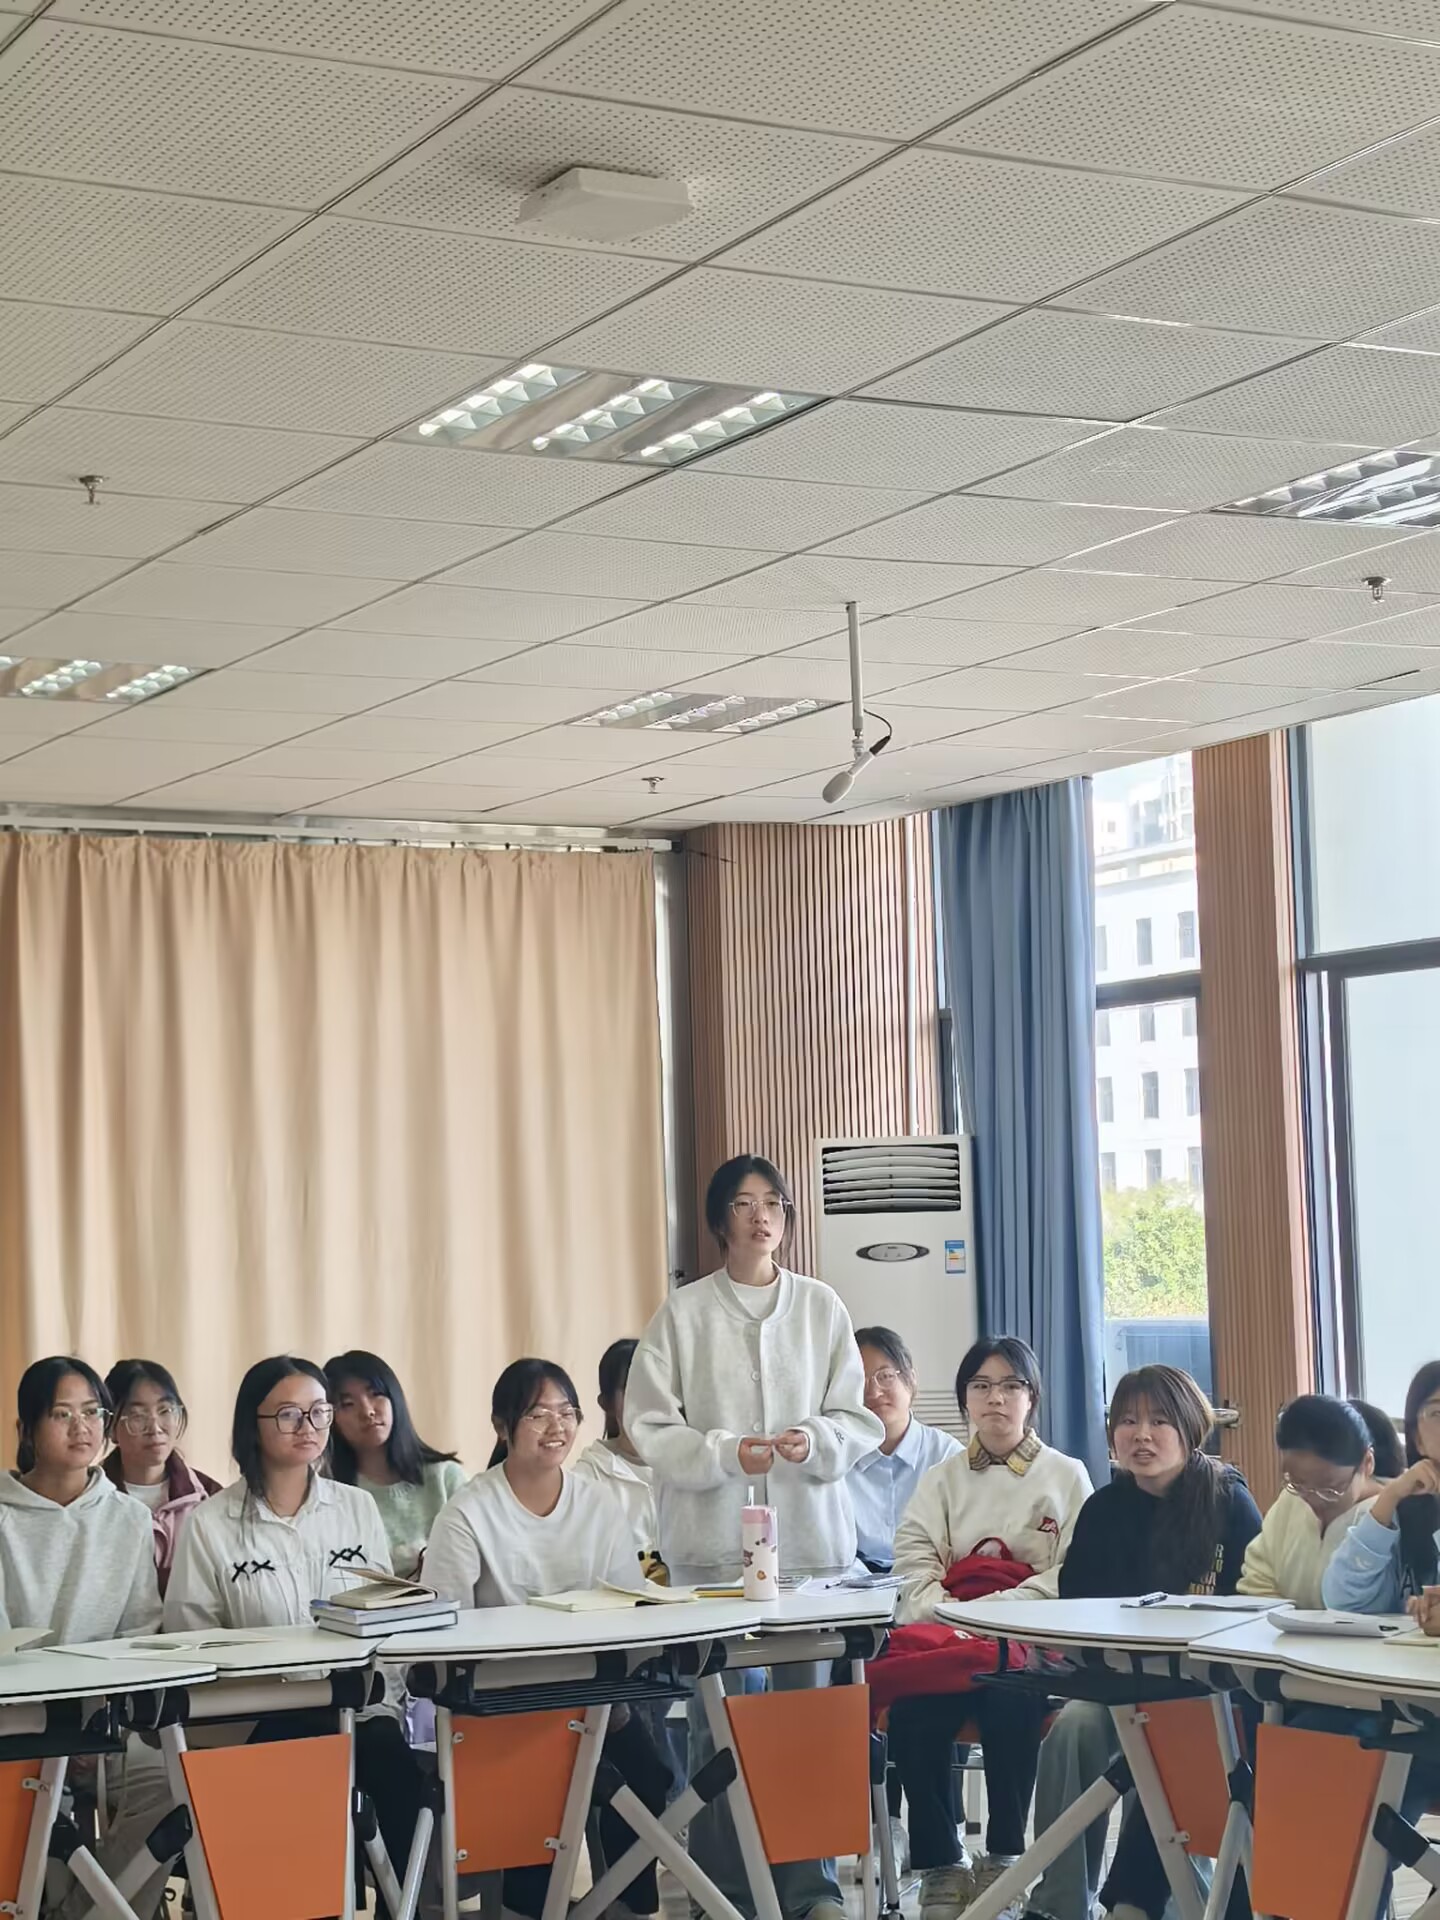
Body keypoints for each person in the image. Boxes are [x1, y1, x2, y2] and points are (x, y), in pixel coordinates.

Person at [626, 1153, 883, 1920]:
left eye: (773, 1201)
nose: (761, 1214)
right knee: (721, 1725)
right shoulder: (683, 1314)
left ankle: (811, 1889)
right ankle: (725, 1894)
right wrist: (723, 1454)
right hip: (712, 1553)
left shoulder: (821, 1306)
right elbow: (648, 1424)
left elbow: (857, 1418)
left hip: (809, 1551)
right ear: (719, 1220)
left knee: (809, 1725)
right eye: (743, 1202)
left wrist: (817, 1439)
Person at [166, 1356, 420, 1917]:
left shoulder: (355, 1508)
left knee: (394, 1766)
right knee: (309, 1765)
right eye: (288, 1414)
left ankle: (403, 1908)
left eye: (319, 1412)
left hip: (354, 1709)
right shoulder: (211, 1525)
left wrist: (385, 1697)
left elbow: (383, 1621)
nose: (308, 1426)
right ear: (251, 1425)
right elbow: (191, 1643)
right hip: (255, 1722)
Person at [421, 1359, 672, 1920]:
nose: (557, 1426)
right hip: (505, 1704)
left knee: (648, 1778)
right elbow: (442, 1625)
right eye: (538, 1414)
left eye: (567, 1412)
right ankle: (528, 1907)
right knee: (536, 1808)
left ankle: (623, 1906)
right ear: (502, 1425)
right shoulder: (468, 1513)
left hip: (593, 1694)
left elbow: (630, 1601)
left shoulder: (597, 1503)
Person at [1026, 1366, 1262, 1920]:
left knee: (1167, 1746)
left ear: (1190, 1427)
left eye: (1159, 1421)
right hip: (1118, 1684)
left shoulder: (1228, 1501)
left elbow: (1254, 1607)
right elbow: (1074, 1610)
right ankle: (1059, 1903)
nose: (1142, 1435)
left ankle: (1158, 1902)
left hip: (1202, 1692)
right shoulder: (1104, 1509)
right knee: (1073, 1730)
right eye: (1127, 1422)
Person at [889, 1338, 1093, 1920]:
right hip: (949, 1640)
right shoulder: (942, 1479)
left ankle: (1005, 1858)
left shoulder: (1067, 1475)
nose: (995, 1398)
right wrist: (956, 1618)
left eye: (1010, 1386)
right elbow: (913, 1565)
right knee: (913, 1711)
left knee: (1010, 1703)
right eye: (981, 1386)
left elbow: (1074, 1573)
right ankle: (941, 1864)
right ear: (964, 1400)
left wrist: (997, 1613)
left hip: (1029, 1645)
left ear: (1032, 1397)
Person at [1238, 1395, 1398, 1608]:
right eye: (1297, 1482)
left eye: (1329, 1489)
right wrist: (1284, 1618)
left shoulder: (1387, 1516)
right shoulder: (1292, 1499)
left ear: (1367, 1463)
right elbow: (1258, 1576)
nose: (1314, 1499)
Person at [325, 1349, 465, 1580]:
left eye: (376, 1394)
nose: (367, 1411)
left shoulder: (445, 1477)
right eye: (348, 1404)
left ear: (395, 1398)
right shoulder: (330, 1493)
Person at [1324, 1361, 1440, 1613]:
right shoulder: (1403, 1512)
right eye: (1437, 1414)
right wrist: (1389, 1497)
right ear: (1417, 1439)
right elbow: (1343, 1600)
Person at [849, 1326, 962, 1575]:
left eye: (885, 1376)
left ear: (910, 1378)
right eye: (859, 1380)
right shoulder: (838, 1459)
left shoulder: (948, 1456)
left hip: (931, 1581)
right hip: (853, 1588)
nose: (873, 1392)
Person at [103, 1358, 221, 1596]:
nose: (155, 1428)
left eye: (165, 1411)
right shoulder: (92, 1500)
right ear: (110, 1427)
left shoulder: (210, 1496)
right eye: (137, 1416)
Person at [569, 1337, 659, 1568]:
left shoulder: (692, 1466)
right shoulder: (587, 1478)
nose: (646, 1399)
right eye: (631, 1389)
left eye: (654, 1386)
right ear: (606, 1403)